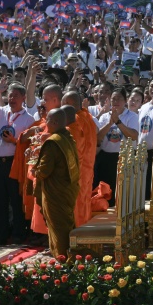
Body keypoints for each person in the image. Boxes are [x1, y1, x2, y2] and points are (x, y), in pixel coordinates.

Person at [0, 78, 35, 243]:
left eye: (15, 96)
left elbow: (30, 144)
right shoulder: (2, 111)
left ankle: (18, 234)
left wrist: (14, 141)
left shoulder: (28, 119)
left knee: (16, 200)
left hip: (15, 162)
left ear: (22, 98)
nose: (12, 99)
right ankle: (2, 234)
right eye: (9, 95)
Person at [34, 108, 79, 257]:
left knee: (58, 227)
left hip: (55, 192)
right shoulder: (67, 137)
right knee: (66, 223)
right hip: (68, 188)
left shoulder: (53, 142)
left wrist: (34, 170)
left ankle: (63, 260)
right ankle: (70, 254)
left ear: (54, 122)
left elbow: (44, 170)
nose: (45, 123)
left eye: (47, 120)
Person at [95, 87, 139, 205]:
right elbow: (98, 138)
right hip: (106, 158)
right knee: (105, 190)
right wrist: (110, 123)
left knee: (122, 192)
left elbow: (134, 135)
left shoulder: (132, 116)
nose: (116, 101)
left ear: (125, 101)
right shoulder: (105, 116)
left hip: (124, 158)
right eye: (113, 99)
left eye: (119, 98)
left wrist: (118, 122)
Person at [61, 92, 97, 226]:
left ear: (69, 105)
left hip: (78, 170)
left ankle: (76, 239)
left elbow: (74, 149)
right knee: (84, 202)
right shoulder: (88, 117)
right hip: (88, 168)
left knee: (76, 205)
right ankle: (84, 237)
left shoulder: (75, 121)